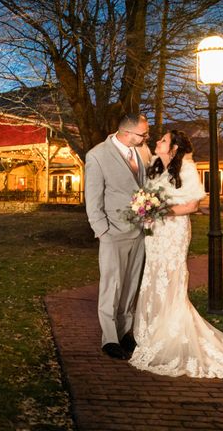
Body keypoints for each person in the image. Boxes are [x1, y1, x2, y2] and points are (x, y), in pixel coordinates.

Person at [129, 130, 223, 377]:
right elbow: (145, 187)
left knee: (170, 277)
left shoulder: (187, 169)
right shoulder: (155, 167)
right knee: (153, 275)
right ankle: (152, 330)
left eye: (163, 140)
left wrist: (162, 211)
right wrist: (146, 209)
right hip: (155, 235)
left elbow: (193, 205)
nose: (158, 142)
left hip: (173, 232)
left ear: (174, 148)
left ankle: (171, 332)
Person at [85, 113, 152, 360]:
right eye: (142, 134)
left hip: (139, 232)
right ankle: (110, 339)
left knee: (131, 285)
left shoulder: (141, 152)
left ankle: (125, 333)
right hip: (113, 232)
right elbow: (92, 199)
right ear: (126, 132)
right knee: (111, 286)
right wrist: (103, 231)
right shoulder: (97, 155)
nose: (146, 137)